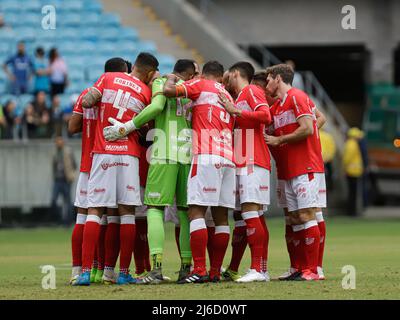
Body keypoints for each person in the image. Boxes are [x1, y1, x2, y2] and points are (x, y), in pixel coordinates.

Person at [103, 59, 197, 284]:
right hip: (187, 153)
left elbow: (156, 107)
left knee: (154, 208)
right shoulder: (193, 88)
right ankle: (186, 268)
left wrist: (126, 127)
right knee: (184, 212)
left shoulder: (163, 82)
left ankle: (155, 269)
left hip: (164, 150)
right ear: (190, 74)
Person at [72, 52, 158, 286]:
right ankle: (122, 274)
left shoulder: (108, 78)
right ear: (149, 73)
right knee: (126, 213)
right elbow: (146, 131)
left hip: (102, 152)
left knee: (95, 211)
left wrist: (94, 101)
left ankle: (85, 273)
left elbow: (89, 101)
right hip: (128, 156)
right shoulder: (146, 91)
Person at [163, 60, 236, 283]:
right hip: (229, 157)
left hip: (205, 154)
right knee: (221, 218)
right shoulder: (228, 96)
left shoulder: (201, 85)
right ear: (221, 77)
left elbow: (168, 92)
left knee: (195, 212)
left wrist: (172, 77)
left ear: (204, 74)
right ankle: (215, 272)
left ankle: (200, 270)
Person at [67, 57, 132, 285]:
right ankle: (107, 271)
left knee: (85, 216)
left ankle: (79, 271)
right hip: (111, 156)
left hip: (88, 163)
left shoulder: (87, 93)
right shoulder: (117, 95)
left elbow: (72, 126)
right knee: (114, 216)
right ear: (122, 72)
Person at [264, 63, 325, 281]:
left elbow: (309, 127)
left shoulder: (297, 97)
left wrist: (281, 140)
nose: (266, 84)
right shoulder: (277, 106)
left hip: (305, 166)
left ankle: (313, 270)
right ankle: (298, 267)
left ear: (278, 79)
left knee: (307, 214)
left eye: (268, 79)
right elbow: (320, 119)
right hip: (288, 169)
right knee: (293, 218)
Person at [218, 62, 272, 282]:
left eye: (228, 75)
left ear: (237, 73)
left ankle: (257, 269)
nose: (226, 79)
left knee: (250, 212)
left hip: (252, 159)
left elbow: (265, 115)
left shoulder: (251, 91)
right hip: (243, 160)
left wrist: (236, 111)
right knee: (247, 215)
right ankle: (260, 269)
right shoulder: (239, 96)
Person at [51, 136, 77, 226]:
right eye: (57, 141)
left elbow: (74, 164)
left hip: (66, 179)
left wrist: (72, 175)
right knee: (54, 200)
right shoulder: (54, 152)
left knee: (68, 201)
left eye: (60, 141)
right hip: (57, 179)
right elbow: (54, 165)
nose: (59, 143)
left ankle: (68, 221)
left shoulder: (68, 151)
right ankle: (60, 219)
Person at [343, 127, 364, 216]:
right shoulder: (352, 144)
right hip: (352, 172)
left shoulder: (351, 143)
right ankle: (352, 212)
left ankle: (352, 211)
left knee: (353, 193)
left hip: (353, 171)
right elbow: (347, 159)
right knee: (353, 193)